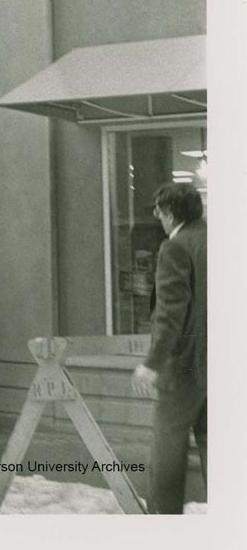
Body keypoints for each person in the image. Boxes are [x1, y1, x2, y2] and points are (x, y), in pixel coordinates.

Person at [132, 183, 207, 513]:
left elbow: (170, 313)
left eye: (159, 212)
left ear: (171, 213)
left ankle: (165, 522)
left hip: (184, 365)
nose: (156, 217)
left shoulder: (175, 247)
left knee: (168, 444)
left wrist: (152, 363)